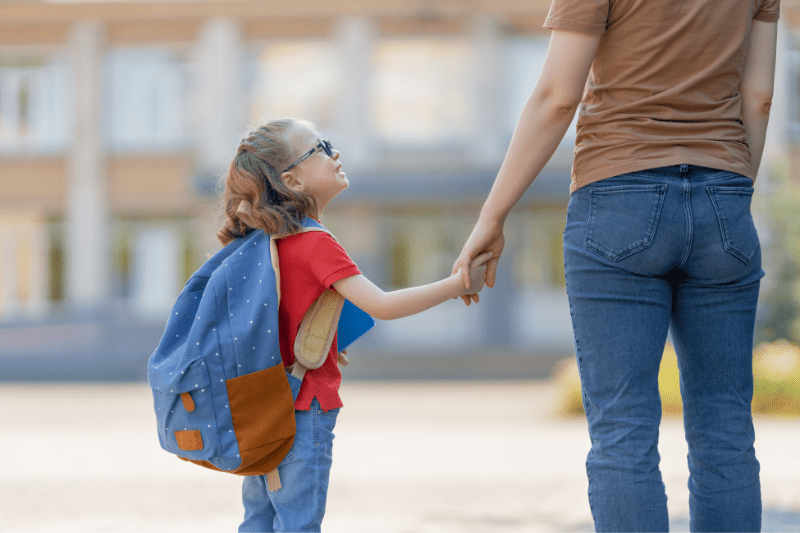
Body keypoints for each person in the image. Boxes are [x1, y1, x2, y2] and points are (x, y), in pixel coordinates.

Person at [453, 1, 779, 531]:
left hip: (619, 194)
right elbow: (759, 98)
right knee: (725, 429)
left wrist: (492, 215)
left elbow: (558, 98)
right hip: (724, 192)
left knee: (623, 429)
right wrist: (733, 190)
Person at [217, 118, 491, 533]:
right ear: (292, 180)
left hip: (259, 405)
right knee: (298, 524)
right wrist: (456, 285)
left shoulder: (264, 238)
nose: (335, 152)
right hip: (302, 406)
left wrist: (324, 338)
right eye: (320, 148)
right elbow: (382, 304)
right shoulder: (313, 242)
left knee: (258, 520)